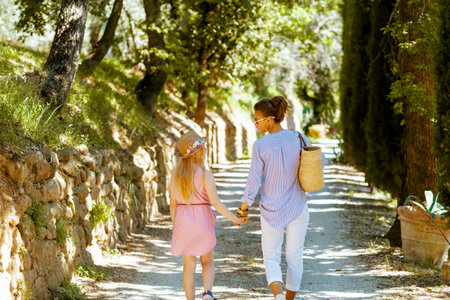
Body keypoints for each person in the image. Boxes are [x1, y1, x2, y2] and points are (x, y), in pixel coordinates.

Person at [238, 96, 312, 300]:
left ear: (269, 119)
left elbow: (253, 181)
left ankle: (278, 296)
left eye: (257, 120)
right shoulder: (298, 137)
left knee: (271, 256)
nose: (256, 124)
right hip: (297, 206)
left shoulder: (261, 146)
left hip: (271, 209)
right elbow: (317, 159)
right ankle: (288, 299)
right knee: (294, 256)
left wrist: (243, 207)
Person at [170, 131, 247, 300]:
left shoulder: (175, 177)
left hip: (183, 223)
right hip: (202, 222)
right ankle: (208, 293)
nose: (205, 149)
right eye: (203, 147)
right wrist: (235, 219)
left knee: (188, 266)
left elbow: (173, 206)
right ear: (198, 152)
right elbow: (217, 204)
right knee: (207, 261)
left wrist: (177, 227)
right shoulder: (205, 175)